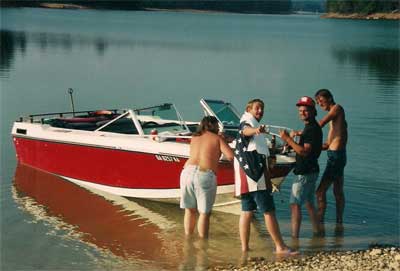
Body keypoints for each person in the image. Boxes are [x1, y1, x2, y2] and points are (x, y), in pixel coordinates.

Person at [234, 99, 295, 254]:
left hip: (244, 177)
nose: (260, 111)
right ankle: (280, 247)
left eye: (262, 108)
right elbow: (244, 131)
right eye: (257, 108)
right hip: (255, 176)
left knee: (247, 211)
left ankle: (244, 248)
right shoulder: (247, 123)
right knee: (269, 211)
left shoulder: (250, 123)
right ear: (249, 109)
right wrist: (256, 130)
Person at [180, 116, 234, 238]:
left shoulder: (194, 137)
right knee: (204, 213)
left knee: (189, 210)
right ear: (214, 126)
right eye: (217, 126)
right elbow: (231, 157)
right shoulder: (217, 138)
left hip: (187, 172)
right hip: (204, 174)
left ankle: (188, 241)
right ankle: (203, 247)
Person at [279, 96, 322, 238]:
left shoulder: (311, 129)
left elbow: (304, 151)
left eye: (305, 110)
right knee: (309, 203)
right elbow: (308, 143)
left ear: (313, 111)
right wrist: (299, 135)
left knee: (295, 204)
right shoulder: (311, 127)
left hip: (304, 173)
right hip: (312, 170)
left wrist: (288, 139)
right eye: (300, 110)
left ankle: (294, 238)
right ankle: (318, 233)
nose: (302, 113)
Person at [314, 89, 348, 224]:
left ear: (330, 98)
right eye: (318, 102)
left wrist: (301, 133)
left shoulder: (337, 109)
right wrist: (309, 148)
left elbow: (320, 123)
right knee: (337, 191)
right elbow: (327, 144)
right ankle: (339, 223)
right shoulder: (335, 119)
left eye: (321, 101)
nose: (320, 104)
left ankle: (319, 222)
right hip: (337, 155)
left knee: (319, 192)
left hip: (336, 157)